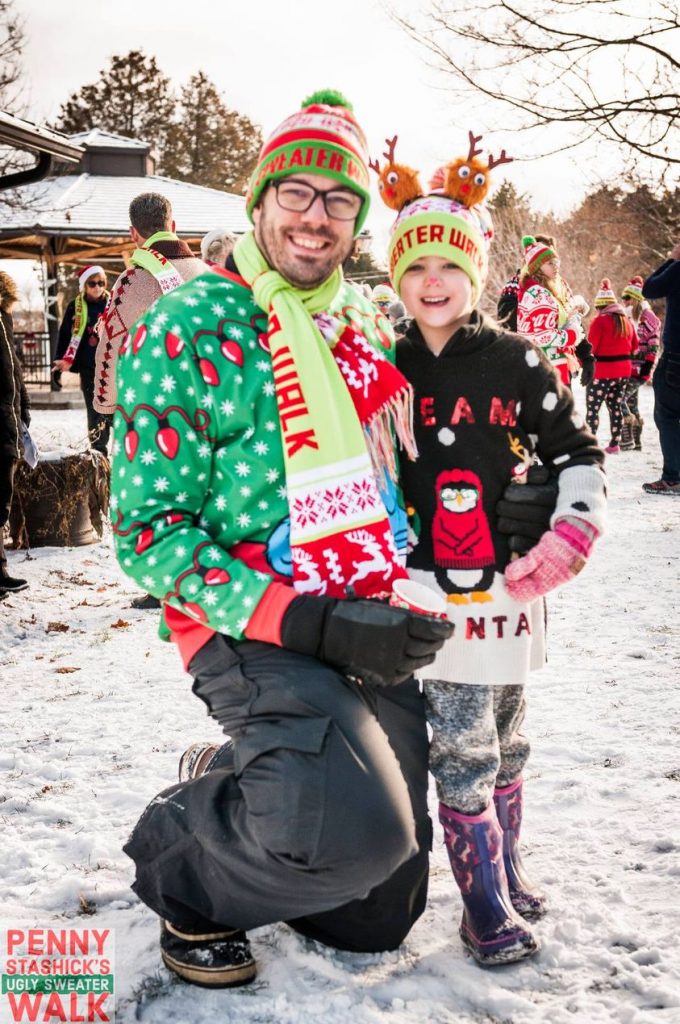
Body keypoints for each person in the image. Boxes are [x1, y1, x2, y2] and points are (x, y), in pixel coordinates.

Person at [109, 91, 557, 989]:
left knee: (375, 912)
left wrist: (519, 488)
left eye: (339, 200)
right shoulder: (189, 323)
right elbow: (148, 538)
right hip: (253, 621)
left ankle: (263, 774)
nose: (317, 217)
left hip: (367, 601)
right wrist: (308, 624)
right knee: (353, 836)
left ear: (357, 218)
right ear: (261, 200)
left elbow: (426, 447)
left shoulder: (357, 322)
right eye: (297, 193)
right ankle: (181, 861)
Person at [377, 148, 606, 965]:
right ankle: (480, 904)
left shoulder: (518, 359)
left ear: (475, 268)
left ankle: (505, 866)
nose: (433, 281)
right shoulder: (383, 366)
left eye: (450, 262)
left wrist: (567, 532)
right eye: (416, 265)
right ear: (396, 274)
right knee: (463, 742)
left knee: (509, 734)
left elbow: (577, 450)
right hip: (429, 588)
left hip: (511, 587)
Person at [94, 192, 207, 610]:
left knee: (159, 498)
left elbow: (110, 346)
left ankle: (166, 583)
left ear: (134, 234)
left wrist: (106, 406)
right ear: (172, 226)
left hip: (154, 412)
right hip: (208, 407)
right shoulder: (205, 274)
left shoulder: (132, 282)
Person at [517, 236, 588, 387]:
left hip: (544, 364)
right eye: (550, 263)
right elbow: (542, 335)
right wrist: (571, 335)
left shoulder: (539, 290)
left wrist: (571, 317)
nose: (556, 267)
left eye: (557, 263)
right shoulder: (539, 293)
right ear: (537, 267)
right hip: (548, 367)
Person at [53, 266, 110, 454]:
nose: (97, 287)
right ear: (84, 286)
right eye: (92, 283)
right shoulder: (75, 306)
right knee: (94, 411)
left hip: (111, 367)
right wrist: (59, 362)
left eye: (101, 283)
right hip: (88, 368)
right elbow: (64, 336)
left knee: (113, 409)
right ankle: (99, 451)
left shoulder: (113, 303)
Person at [0, 271, 30, 595]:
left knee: (2, 499)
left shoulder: (3, 317)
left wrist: (24, 407)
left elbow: (13, 367)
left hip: (8, 418)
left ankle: (1, 568)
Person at [641, 246, 680, 495]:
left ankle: (672, 477)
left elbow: (649, 288)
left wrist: (671, 260)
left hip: (677, 356)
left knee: (666, 415)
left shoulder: (678, 269)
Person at [585, 279, 635, 454]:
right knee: (615, 406)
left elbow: (591, 347)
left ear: (600, 306)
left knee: (593, 408)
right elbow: (635, 346)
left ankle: (590, 443)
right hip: (623, 372)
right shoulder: (626, 321)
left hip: (602, 372)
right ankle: (615, 444)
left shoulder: (600, 322)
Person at [619, 276, 661, 451]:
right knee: (631, 403)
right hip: (628, 367)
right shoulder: (627, 317)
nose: (624, 301)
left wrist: (647, 367)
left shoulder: (648, 317)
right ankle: (637, 442)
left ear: (635, 298)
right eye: (623, 298)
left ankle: (627, 438)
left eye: (627, 298)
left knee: (618, 399)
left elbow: (654, 344)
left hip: (640, 368)